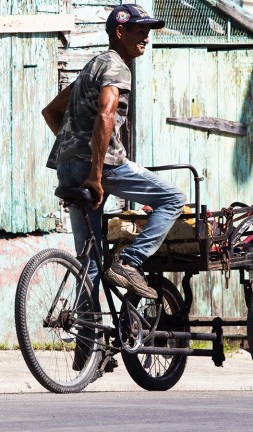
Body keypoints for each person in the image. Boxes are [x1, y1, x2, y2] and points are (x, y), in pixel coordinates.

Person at [42, 4, 185, 300]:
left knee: (89, 262)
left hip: (68, 168)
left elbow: (50, 111)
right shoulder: (117, 67)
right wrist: (95, 172)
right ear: (119, 32)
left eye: (148, 32)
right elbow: (106, 115)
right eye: (140, 31)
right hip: (102, 168)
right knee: (173, 199)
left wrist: (77, 147)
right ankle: (129, 263)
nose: (146, 38)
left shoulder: (92, 67)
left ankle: (87, 343)